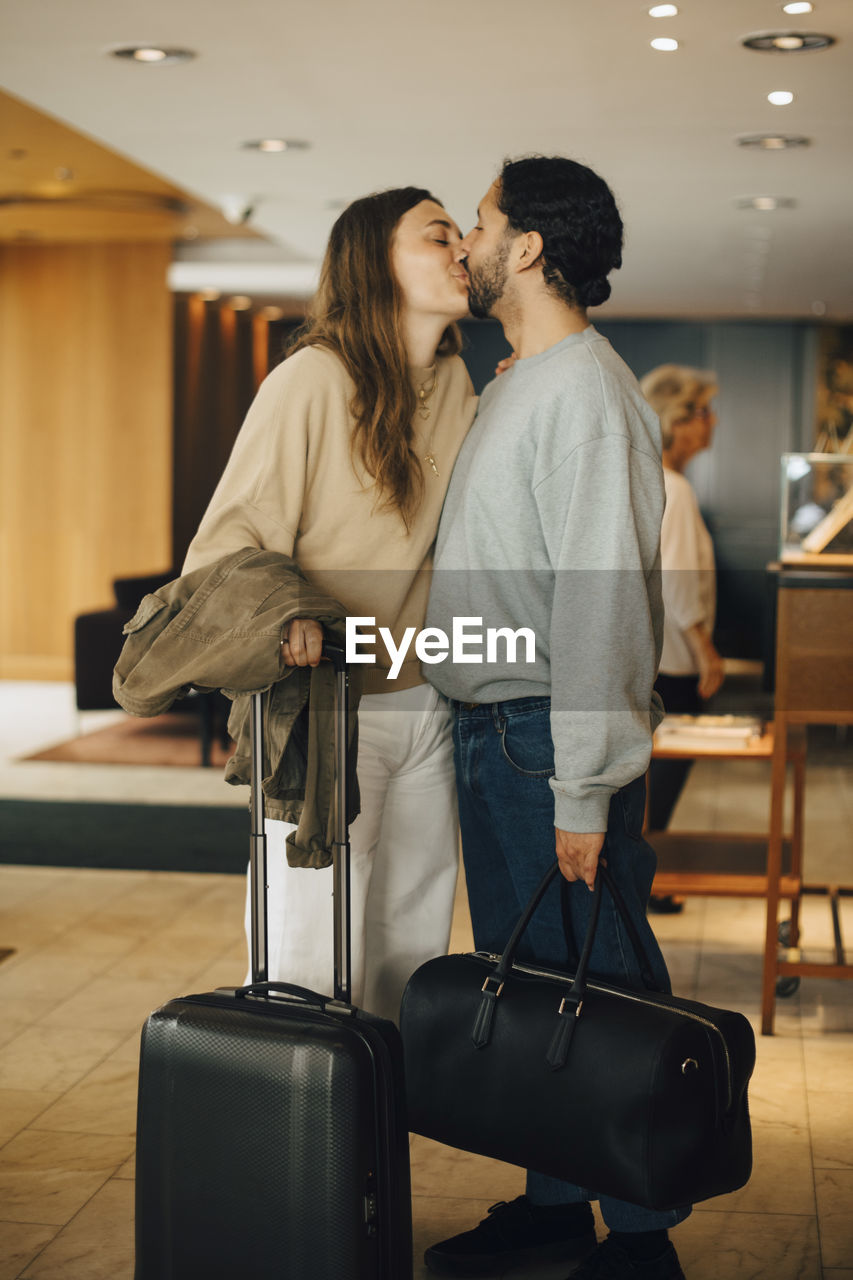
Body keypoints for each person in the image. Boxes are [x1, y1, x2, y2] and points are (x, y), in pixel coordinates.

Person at [424, 157, 690, 1280]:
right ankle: (553, 1199)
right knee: (535, 989)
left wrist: (581, 783)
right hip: (501, 735)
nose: (468, 243)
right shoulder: (520, 377)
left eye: (479, 223)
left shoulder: (583, 391)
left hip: (542, 743)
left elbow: (597, 605)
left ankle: (638, 1245)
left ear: (525, 248)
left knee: (599, 988)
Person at [182, 187, 477, 1023]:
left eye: (460, 235)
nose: (460, 250)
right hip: (321, 712)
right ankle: (304, 1134)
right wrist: (292, 616)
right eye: (437, 235)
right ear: (374, 262)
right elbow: (223, 551)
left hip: (427, 704)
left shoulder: (457, 385)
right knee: (307, 952)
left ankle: (375, 1128)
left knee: (410, 949)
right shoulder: (308, 380)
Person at [639, 365, 724, 913]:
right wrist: (707, 652)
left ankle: (645, 875)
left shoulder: (651, 480)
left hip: (653, 656)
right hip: (675, 661)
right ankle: (644, 878)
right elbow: (680, 580)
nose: (711, 422)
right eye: (703, 411)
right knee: (661, 779)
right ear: (679, 421)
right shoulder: (677, 489)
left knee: (652, 775)